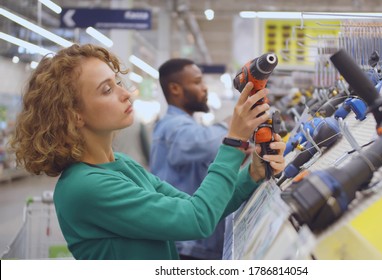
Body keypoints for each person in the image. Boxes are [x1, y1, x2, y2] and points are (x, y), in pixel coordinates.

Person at [9, 44, 285, 260]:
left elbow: (200, 208)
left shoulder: (122, 165)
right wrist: (234, 140)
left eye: (117, 82)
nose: (126, 93)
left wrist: (251, 173)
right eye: (107, 90)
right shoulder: (84, 187)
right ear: (75, 115)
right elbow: (196, 220)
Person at [150, 58, 243, 259]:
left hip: (197, 242)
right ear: (175, 88)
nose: (204, 88)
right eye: (197, 82)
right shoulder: (172, 126)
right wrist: (235, 124)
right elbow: (202, 142)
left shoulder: (186, 124)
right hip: (187, 246)